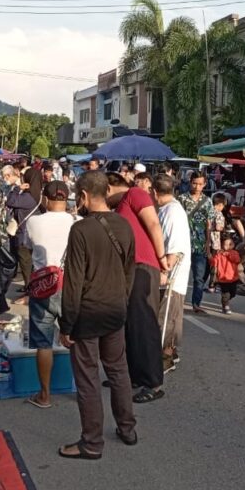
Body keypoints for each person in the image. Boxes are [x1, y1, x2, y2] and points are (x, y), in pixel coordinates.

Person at [58, 171, 137, 459]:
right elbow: (130, 271)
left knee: (88, 378)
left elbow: (73, 281)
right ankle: (127, 427)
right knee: (118, 370)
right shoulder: (126, 225)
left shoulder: (81, 230)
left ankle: (92, 442)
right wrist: (122, 301)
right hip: (115, 310)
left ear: (83, 196)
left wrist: (66, 324)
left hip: (87, 315)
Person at [107, 173, 168, 404]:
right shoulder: (119, 207)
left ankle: (153, 382)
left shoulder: (135, 193)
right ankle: (134, 374)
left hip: (144, 266)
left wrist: (162, 258)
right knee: (130, 325)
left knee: (144, 325)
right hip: (130, 268)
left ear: (112, 186)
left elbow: (153, 223)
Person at [24, 181, 78, 409]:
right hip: (71, 286)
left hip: (42, 287)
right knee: (77, 340)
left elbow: (28, 247)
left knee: (43, 343)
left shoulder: (33, 222)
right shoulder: (78, 222)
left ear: (45, 199)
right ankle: (82, 390)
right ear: (67, 198)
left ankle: (44, 395)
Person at [153, 175, 191, 372]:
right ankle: (170, 354)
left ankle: (165, 358)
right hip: (168, 273)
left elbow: (174, 249)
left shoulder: (173, 212)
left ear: (155, 192)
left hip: (173, 276)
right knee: (165, 317)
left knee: (167, 319)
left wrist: (165, 269)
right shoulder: (167, 209)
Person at [179, 172, 217, 314]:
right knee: (178, 274)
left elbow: (209, 224)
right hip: (183, 242)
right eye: (195, 183)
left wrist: (208, 246)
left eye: (200, 184)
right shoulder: (182, 199)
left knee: (199, 277)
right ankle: (176, 301)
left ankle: (196, 303)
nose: (197, 186)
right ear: (190, 182)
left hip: (200, 244)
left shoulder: (207, 201)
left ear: (205, 184)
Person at [5, 166, 43, 292]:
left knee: (26, 264)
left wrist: (16, 189)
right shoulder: (39, 196)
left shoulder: (28, 197)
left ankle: (29, 291)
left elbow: (10, 201)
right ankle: (29, 288)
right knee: (31, 264)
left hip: (24, 237)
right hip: (34, 234)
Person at [210, 235, 241, 315]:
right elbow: (214, 262)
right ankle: (225, 306)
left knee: (233, 293)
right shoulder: (219, 254)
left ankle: (225, 300)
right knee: (225, 293)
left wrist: (228, 254)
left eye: (230, 244)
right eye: (226, 244)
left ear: (233, 245)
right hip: (223, 278)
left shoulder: (235, 253)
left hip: (233, 278)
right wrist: (213, 257)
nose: (228, 246)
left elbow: (237, 260)